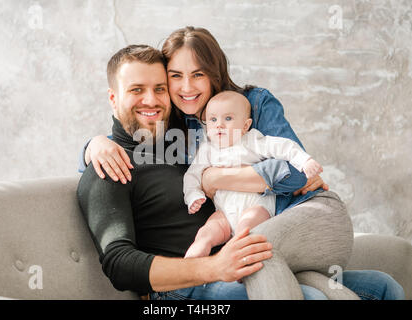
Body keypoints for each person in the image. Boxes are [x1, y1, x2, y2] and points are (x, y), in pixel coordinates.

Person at [77, 27, 405, 300]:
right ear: (113, 98)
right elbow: (120, 264)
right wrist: (94, 146)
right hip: (193, 285)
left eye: (160, 88)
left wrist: (220, 179)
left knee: (382, 286)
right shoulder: (108, 165)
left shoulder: (183, 135)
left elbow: (290, 172)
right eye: (137, 89)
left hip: (249, 248)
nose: (152, 100)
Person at [184, 90, 323, 258]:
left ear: (245, 126)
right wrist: (193, 195)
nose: (219, 124)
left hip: (256, 206)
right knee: (206, 232)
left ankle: (239, 260)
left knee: (247, 230)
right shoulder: (207, 149)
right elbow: (192, 175)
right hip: (224, 211)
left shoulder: (252, 141)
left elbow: (283, 147)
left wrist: (304, 161)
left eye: (228, 118)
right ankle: (193, 263)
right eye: (213, 119)